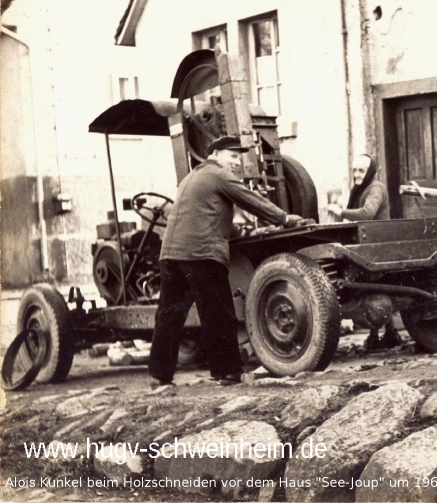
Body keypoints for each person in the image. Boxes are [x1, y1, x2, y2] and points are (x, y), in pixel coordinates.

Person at [148, 136, 303, 388]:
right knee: (218, 313)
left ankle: (159, 375)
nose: (237, 163)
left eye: (239, 158)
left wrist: (240, 233)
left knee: (169, 315)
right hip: (201, 255)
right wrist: (284, 218)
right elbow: (250, 199)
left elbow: (207, 216)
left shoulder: (190, 178)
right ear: (216, 154)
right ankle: (228, 372)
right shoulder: (218, 175)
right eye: (233, 156)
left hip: (170, 255)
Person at [327, 154, 400, 350]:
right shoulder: (360, 189)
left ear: (370, 171)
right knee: (373, 287)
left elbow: (368, 213)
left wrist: (339, 211)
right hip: (366, 241)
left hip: (376, 244)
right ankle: (386, 334)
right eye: (355, 170)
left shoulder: (375, 188)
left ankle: (385, 334)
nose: (357, 174)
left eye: (361, 170)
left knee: (372, 285)